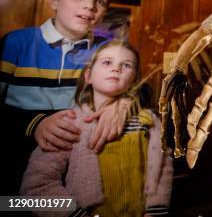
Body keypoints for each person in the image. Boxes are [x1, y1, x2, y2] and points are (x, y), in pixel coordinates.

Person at [0, 0, 129, 194]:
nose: (90, 6)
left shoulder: (106, 50)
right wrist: (35, 123)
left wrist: (122, 103)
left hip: (75, 163)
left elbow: (142, 88)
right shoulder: (16, 43)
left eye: (100, 1)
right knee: (15, 207)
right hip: (14, 156)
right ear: (54, 0)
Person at [21, 40, 173, 216]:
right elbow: (37, 186)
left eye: (126, 65)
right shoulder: (69, 124)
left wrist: (156, 210)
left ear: (134, 82)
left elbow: (162, 168)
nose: (116, 69)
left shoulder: (149, 121)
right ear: (88, 76)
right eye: (107, 62)